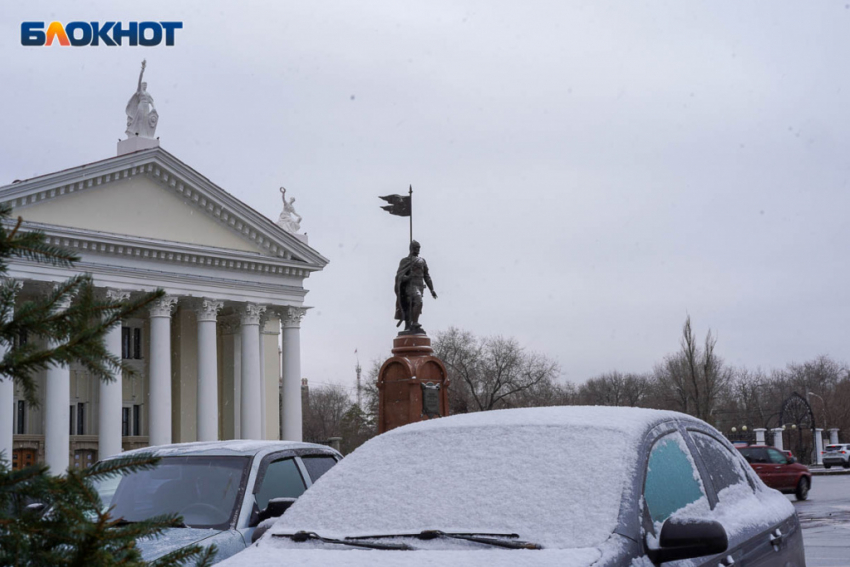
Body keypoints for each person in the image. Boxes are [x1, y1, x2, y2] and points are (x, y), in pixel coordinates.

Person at [394, 240, 437, 334]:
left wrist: (432, 289)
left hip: (420, 286)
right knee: (418, 301)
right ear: (411, 248)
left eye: (418, 248)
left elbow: (426, 276)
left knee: (414, 306)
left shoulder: (422, 261)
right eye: (415, 248)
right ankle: (415, 323)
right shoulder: (405, 260)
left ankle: (410, 325)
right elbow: (399, 276)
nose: (417, 249)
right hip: (410, 286)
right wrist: (408, 277)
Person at [125, 60, 158, 138]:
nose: (145, 86)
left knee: (145, 120)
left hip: (147, 106)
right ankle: (137, 133)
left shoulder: (147, 94)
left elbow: (151, 101)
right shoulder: (140, 92)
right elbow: (139, 81)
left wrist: (154, 108)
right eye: (144, 85)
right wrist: (142, 70)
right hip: (141, 106)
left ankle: (145, 134)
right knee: (140, 119)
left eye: (146, 85)